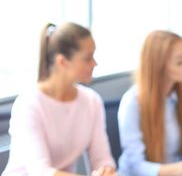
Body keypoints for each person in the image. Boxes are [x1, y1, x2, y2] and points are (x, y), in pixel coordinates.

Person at [3, 22, 117, 176]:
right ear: (62, 62)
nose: (95, 63)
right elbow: (41, 172)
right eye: (88, 58)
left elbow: (102, 159)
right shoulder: (28, 104)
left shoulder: (91, 101)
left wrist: (106, 170)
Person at [117, 30, 182, 176]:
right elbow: (135, 165)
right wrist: (181, 169)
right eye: (180, 62)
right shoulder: (132, 103)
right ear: (159, 67)